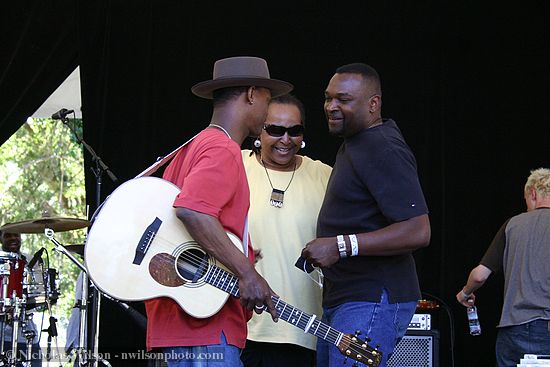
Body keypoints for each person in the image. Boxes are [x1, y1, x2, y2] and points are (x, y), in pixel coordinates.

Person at [143, 56, 293, 367]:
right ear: (252, 94)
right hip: (206, 328)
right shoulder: (222, 148)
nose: (268, 111)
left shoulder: (192, 146)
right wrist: (247, 272)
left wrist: (241, 252)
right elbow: (193, 211)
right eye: (267, 98)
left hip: (178, 323)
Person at [301, 63, 431, 367]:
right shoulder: (358, 143)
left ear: (374, 104)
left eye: (343, 100)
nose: (331, 107)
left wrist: (340, 245)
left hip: (372, 298)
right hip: (350, 298)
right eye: (328, 98)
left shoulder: (381, 146)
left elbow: (418, 230)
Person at [240, 94, 332, 367]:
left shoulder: (324, 175)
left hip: (302, 329)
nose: (285, 139)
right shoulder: (236, 165)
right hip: (242, 327)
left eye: (295, 130)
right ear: (259, 130)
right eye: (275, 130)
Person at [456, 168, 550, 367]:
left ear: (533, 193)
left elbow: (480, 276)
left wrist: (465, 293)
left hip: (514, 329)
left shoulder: (513, 224)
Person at [0, 229, 42, 367]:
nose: (13, 238)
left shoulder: (30, 260)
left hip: (26, 332)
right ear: (1, 239)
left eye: (16, 235)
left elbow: (40, 293)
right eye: (7, 235)